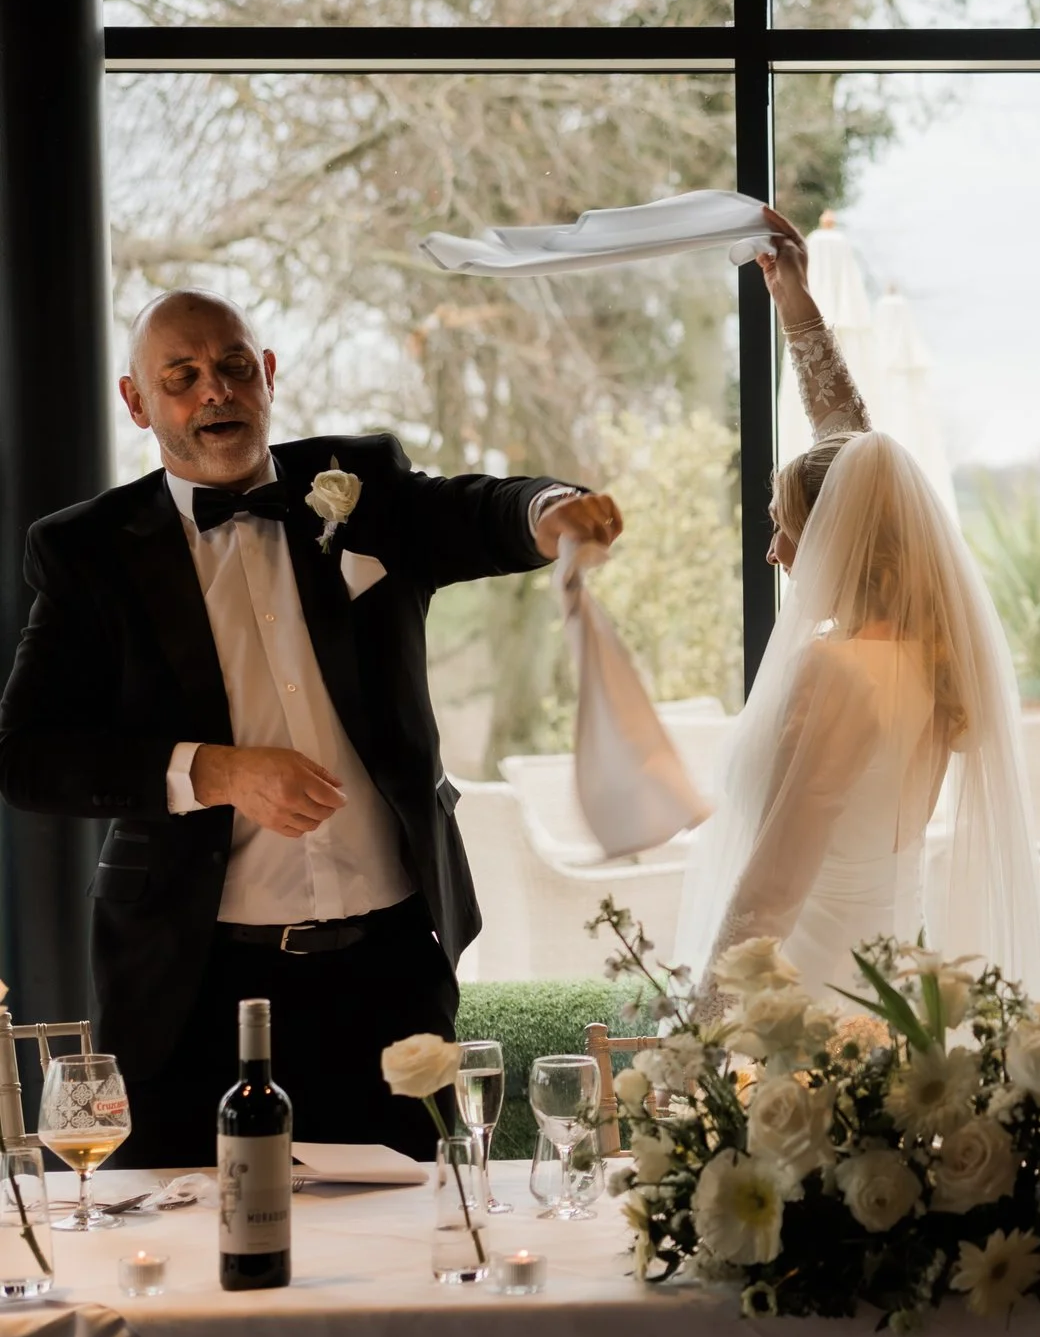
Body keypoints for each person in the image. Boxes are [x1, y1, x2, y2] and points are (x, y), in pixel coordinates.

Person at [0, 290, 622, 1166]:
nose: (215, 390)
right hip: (191, 985)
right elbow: (26, 757)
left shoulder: (357, 484)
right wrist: (213, 771)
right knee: (194, 1271)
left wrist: (547, 510)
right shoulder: (88, 550)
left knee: (416, 1252)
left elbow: (473, 509)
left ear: (269, 375)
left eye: (234, 366)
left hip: (389, 973)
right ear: (138, 402)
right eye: (181, 377)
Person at [674, 216, 1040, 1003]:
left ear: (842, 541)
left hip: (809, 993)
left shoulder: (837, 669)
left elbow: (776, 878)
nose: (774, 552)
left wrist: (701, 1023)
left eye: (786, 529)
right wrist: (796, 308)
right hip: (890, 980)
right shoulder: (926, 652)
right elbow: (852, 454)